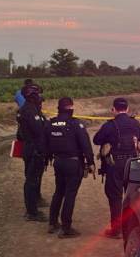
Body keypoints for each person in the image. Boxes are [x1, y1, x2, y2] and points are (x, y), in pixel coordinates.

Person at [93, 97, 140, 238]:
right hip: (133, 163)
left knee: (115, 198)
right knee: (132, 196)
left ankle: (116, 230)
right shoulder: (135, 123)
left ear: (113, 109)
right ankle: (132, 227)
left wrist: (109, 141)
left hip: (115, 164)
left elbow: (96, 140)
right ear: (127, 109)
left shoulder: (110, 125)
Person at [46, 97, 95, 238]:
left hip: (58, 162)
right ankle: (66, 228)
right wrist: (90, 161)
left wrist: (48, 157)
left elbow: (46, 143)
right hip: (73, 163)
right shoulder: (75, 124)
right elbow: (85, 144)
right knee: (70, 195)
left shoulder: (51, 124)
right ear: (71, 108)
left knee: (58, 192)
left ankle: (52, 223)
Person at [16, 83, 48, 222]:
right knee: (31, 180)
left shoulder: (30, 109)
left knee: (34, 178)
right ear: (32, 95)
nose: (40, 97)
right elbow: (39, 131)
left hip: (32, 148)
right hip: (34, 149)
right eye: (38, 94)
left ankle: (34, 205)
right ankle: (32, 212)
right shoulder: (29, 111)